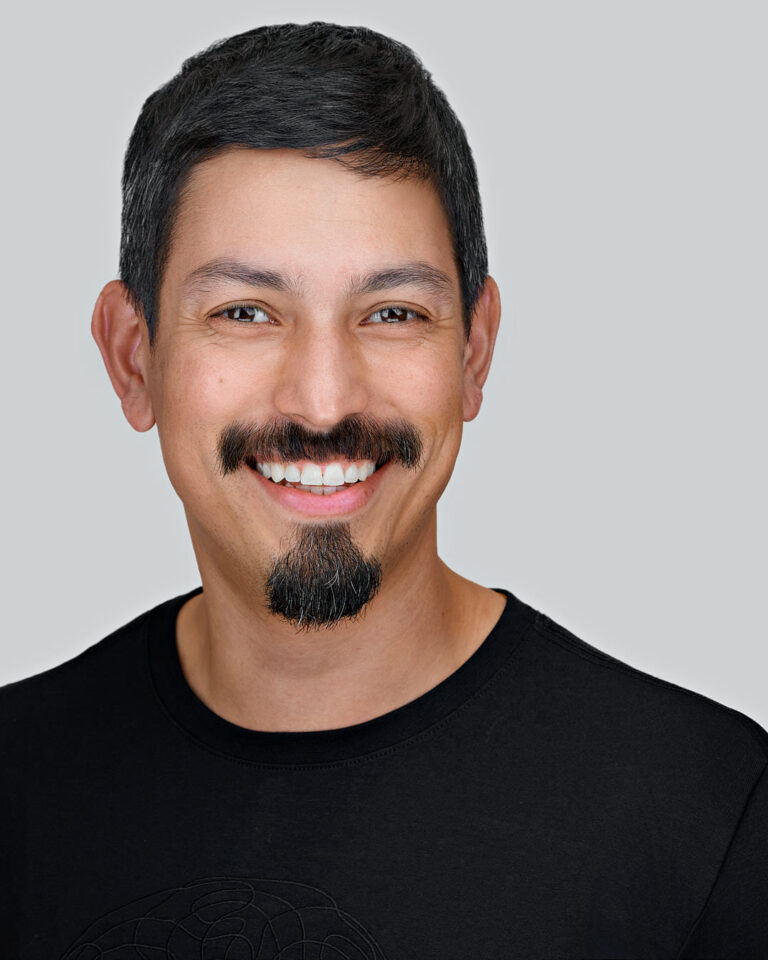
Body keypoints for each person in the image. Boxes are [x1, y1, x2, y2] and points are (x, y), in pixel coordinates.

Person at [1, 20, 765, 959]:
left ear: (474, 353)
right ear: (133, 357)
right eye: (245, 313)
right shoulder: (14, 787)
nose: (323, 401)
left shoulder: (709, 819)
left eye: (393, 313)